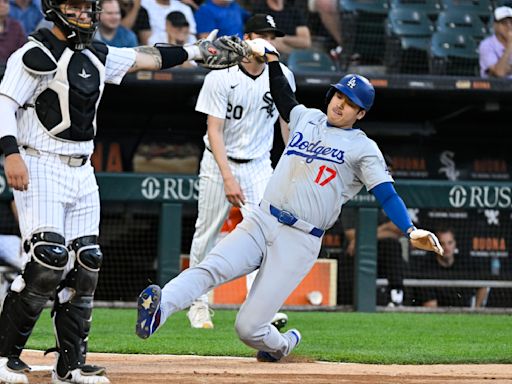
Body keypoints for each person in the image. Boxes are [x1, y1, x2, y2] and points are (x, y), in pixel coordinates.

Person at [135, 38, 444, 362]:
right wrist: (269, 60)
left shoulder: (363, 148)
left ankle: (282, 345)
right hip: (262, 219)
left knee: (248, 328)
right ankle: (160, 308)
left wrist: (409, 229)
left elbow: (386, 192)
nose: (340, 104)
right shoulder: (307, 118)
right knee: (210, 267)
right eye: (338, 95)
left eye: (350, 102)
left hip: (299, 239)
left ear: (360, 112)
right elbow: (283, 95)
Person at [0, 0, 246, 379]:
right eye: (75, 6)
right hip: (39, 161)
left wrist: (198, 51)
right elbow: (4, 103)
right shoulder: (34, 52)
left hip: (83, 167)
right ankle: (5, 356)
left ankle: (70, 366)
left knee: (86, 264)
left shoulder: (96, 53)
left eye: (88, 6)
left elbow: (145, 57)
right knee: (48, 260)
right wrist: (10, 153)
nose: (85, 13)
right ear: (55, 8)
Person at [185, 13, 295, 329]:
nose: (269, 42)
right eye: (263, 36)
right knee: (206, 233)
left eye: (273, 37)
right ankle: (198, 303)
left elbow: (287, 123)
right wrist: (228, 177)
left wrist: (290, 165)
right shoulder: (220, 75)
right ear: (247, 39)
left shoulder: (282, 74)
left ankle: (261, 308)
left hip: (259, 164)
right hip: (220, 162)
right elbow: (214, 130)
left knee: (265, 236)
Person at [409, 227, 489, 308]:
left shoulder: (465, 264)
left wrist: (476, 309)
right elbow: (431, 306)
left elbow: (483, 284)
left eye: (450, 243)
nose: (446, 248)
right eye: (442, 243)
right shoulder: (427, 268)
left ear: (455, 243)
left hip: (465, 314)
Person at [342, 210, 407, 306]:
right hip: (354, 258)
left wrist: (362, 236)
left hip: (383, 258)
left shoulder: (382, 207)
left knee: (393, 244)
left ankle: (396, 295)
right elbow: (351, 235)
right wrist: (385, 227)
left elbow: (397, 232)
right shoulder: (350, 209)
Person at [479, 6, 512, 78]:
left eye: (511, 22)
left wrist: (508, 68)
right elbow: (499, 72)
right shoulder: (486, 45)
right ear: (495, 25)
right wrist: (510, 45)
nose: (509, 26)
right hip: (496, 88)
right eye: (504, 23)